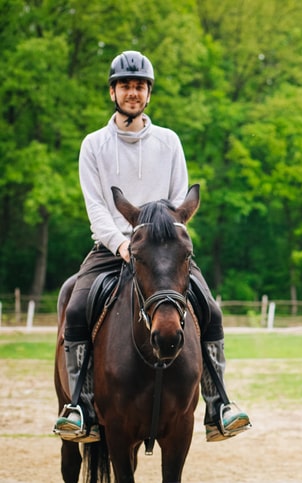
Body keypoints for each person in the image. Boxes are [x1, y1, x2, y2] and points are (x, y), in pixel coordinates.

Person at [53, 51, 251, 443]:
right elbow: (97, 207)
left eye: (139, 86)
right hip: (112, 250)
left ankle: (218, 405)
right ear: (113, 91)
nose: (133, 92)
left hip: (164, 252)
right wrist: (122, 245)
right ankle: (81, 406)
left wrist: (165, 243)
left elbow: (180, 201)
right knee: (75, 306)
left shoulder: (168, 141)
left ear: (148, 93)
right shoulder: (93, 145)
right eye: (125, 85)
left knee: (209, 309)